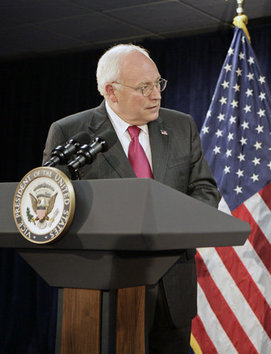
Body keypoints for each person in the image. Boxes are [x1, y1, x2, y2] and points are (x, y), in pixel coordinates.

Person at [42, 44, 221, 353]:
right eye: (144, 87)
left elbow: (205, 190)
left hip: (172, 287)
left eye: (158, 83)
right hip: (105, 289)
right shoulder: (71, 133)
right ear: (111, 92)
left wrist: (173, 222)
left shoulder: (181, 126)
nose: (157, 95)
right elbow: (58, 207)